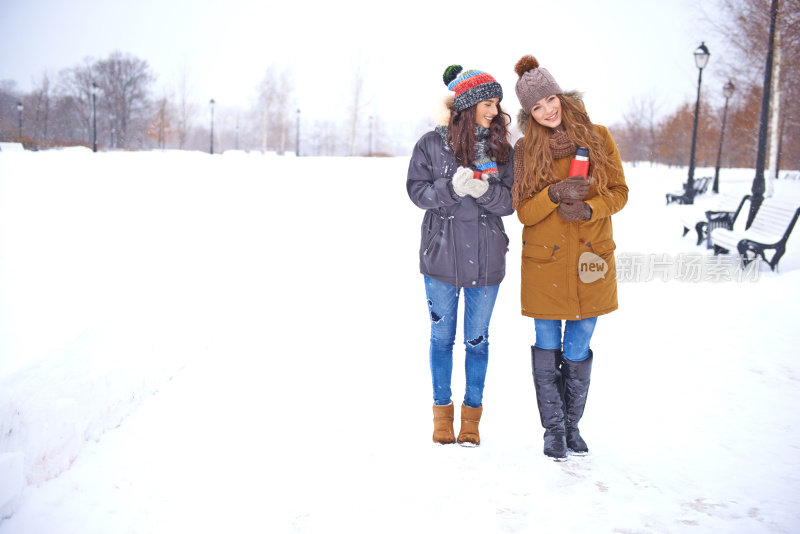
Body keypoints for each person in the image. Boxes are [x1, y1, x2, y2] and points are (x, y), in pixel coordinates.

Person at [510, 54, 628, 460]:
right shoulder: (525, 150)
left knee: (578, 346)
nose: (546, 111)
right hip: (545, 263)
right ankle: (553, 432)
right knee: (547, 344)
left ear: (559, 94)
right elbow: (523, 211)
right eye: (535, 108)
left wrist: (591, 208)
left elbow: (620, 192)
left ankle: (572, 427)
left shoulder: (598, 137)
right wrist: (554, 194)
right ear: (528, 114)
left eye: (548, 100)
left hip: (591, 260)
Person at [407, 65, 514, 446]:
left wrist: (484, 192)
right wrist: (450, 189)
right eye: (489, 102)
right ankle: (441, 416)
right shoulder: (430, 145)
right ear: (468, 105)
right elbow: (417, 192)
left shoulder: (502, 148)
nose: (495, 110)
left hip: (487, 261)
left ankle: (471, 419)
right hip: (440, 259)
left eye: (498, 103)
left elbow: (510, 202)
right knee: (441, 339)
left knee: (477, 341)